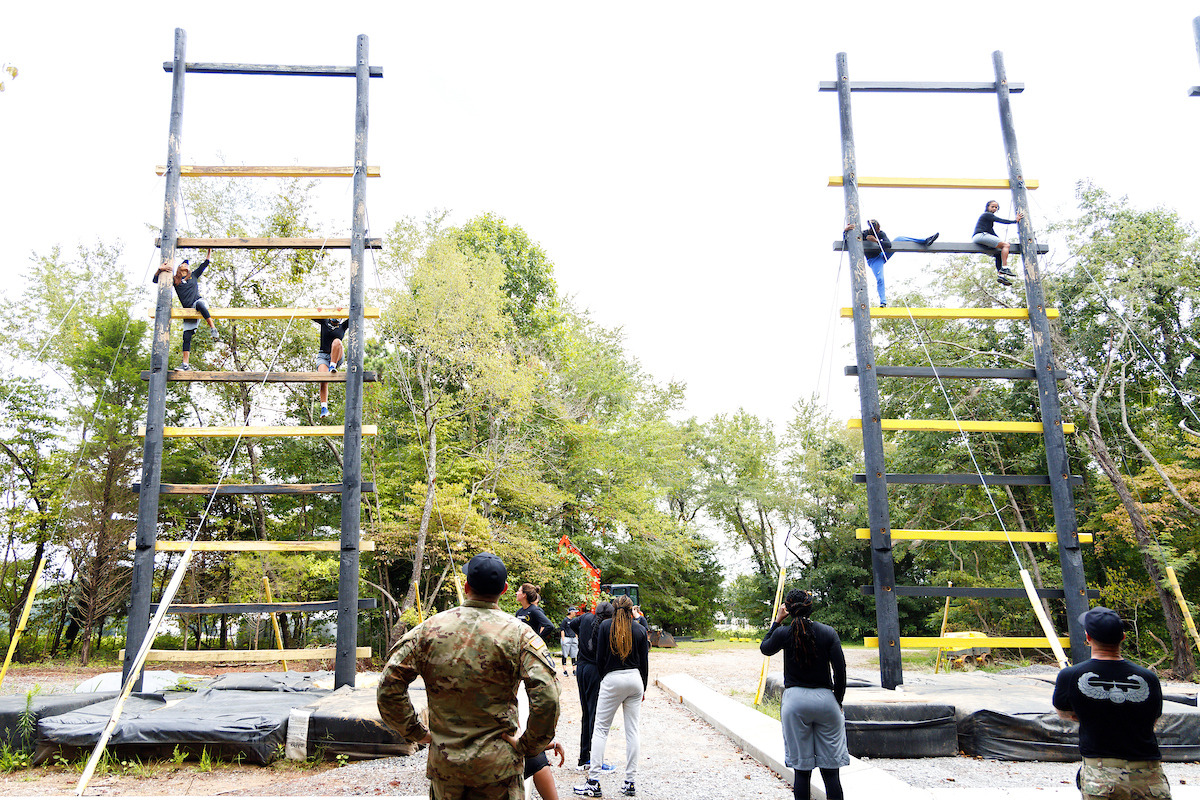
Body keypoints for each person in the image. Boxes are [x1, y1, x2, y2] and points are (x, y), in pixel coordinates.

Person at [377, 551, 560, 800]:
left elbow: (388, 686)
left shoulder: (428, 630)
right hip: (499, 770)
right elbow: (548, 696)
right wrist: (529, 746)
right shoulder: (520, 635)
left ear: (466, 586)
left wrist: (417, 733)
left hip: (446, 767)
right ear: (504, 589)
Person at [1053, 607, 1171, 800]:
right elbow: (1153, 720)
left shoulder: (1070, 675)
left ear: (1088, 637)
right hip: (1150, 776)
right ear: (1123, 638)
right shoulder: (1148, 678)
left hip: (1102, 777)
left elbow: (1065, 714)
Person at [759, 589, 848, 800]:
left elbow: (765, 649)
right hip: (826, 700)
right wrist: (838, 700)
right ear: (810, 607)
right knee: (831, 772)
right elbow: (840, 670)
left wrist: (777, 621)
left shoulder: (784, 633)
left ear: (788, 609)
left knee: (802, 771)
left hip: (795, 702)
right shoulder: (828, 632)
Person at [574, 595, 649, 799]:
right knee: (632, 731)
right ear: (631, 609)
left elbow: (599, 658)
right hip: (635, 679)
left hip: (612, 678)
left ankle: (594, 781)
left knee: (600, 730)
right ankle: (630, 782)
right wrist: (644, 687)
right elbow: (644, 663)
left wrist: (604, 678)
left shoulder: (606, 626)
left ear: (614, 609)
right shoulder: (640, 629)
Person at [843, 221, 939, 308]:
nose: (879, 230)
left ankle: (924, 241)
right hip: (874, 260)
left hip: (883, 254)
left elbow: (888, 245)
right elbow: (847, 242)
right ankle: (883, 302)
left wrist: (876, 240)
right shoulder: (863, 234)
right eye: (877, 229)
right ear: (872, 230)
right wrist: (845, 231)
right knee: (880, 279)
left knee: (899, 238)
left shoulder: (881, 234)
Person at [567, 602, 614, 772]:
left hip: (581, 669)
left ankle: (584, 757)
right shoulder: (606, 626)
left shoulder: (586, 618)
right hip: (595, 670)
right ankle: (594, 760)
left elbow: (572, 624)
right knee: (596, 715)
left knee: (586, 714)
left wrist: (581, 635)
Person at [154, 248, 217, 370]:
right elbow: (156, 280)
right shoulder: (175, 280)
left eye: (188, 264)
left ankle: (213, 328)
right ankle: (185, 364)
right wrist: (160, 270)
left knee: (200, 304)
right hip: (188, 310)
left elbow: (205, 264)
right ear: (179, 267)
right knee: (186, 337)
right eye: (184, 263)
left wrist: (209, 251)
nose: (186, 265)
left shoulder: (193, 275)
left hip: (198, 303)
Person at [972, 199, 1025, 286]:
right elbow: (1000, 220)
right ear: (988, 207)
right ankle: (1005, 267)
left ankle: (1001, 276)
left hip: (981, 237)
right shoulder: (987, 215)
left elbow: (992, 233)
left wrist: (1000, 241)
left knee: (999, 253)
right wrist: (1015, 221)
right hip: (980, 235)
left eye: (996, 207)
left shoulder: (988, 220)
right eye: (992, 206)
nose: (994, 209)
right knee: (1006, 245)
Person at [313, 312, 349, 418]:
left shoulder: (343, 326)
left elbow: (356, 315)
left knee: (337, 341)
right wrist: (319, 311)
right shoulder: (325, 322)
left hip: (337, 356)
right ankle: (324, 408)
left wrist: (344, 310)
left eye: (339, 315)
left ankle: (332, 366)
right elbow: (311, 315)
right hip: (323, 356)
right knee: (323, 379)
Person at [561, 607, 579, 677]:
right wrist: (563, 639)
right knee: (565, 654)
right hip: (567, 638)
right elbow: (562, 629)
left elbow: (576, 629)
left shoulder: (574, 620)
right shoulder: (565, 620)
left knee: (574, 655)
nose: (575, 613)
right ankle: (564, 670)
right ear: (571, 612)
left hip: (573, 638)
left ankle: (574, 670)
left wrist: (576, 637)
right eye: (574, 611)